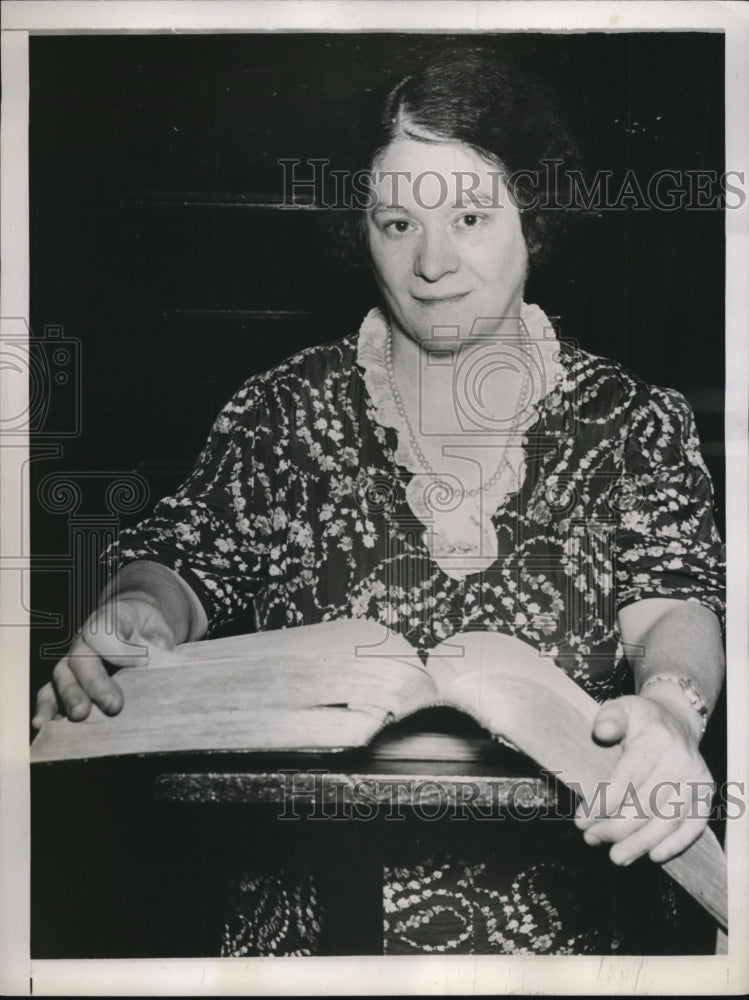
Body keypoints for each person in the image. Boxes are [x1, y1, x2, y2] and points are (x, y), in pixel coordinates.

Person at [33, 53, 725, 955]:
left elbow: (673, 604)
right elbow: (182, 561)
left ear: (535, 217)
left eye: (470, 217)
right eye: (396, 222)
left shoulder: (628, 421)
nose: (431, 263)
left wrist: (670, 711)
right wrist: (137, 606)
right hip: (304, 942)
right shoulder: (284, 410)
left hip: (566, 945)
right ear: (358, 228)